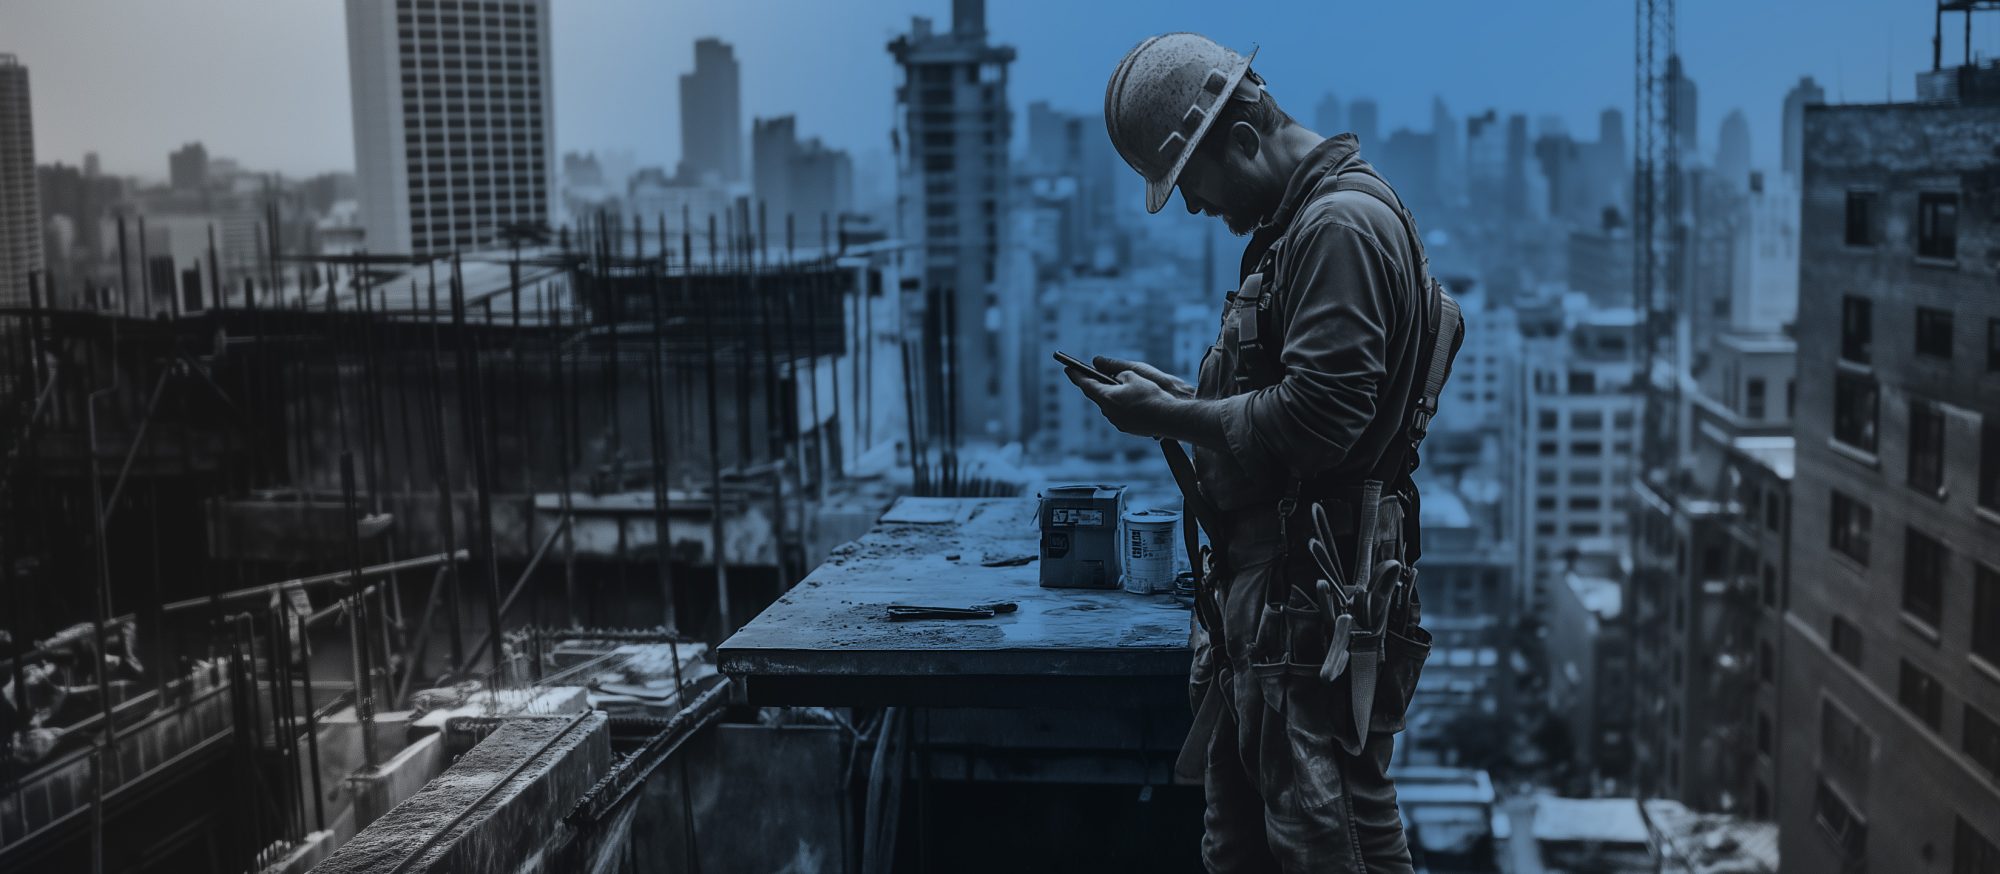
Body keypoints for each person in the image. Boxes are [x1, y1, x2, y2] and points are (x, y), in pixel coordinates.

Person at [1073, 32, 1462, 872]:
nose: (1192, 207)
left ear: (1244, 136)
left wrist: (1170, 418)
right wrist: (1183, 402)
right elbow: (1296, 400)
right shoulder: (1307, 229)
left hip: (1310, 612)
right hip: (1274, 613)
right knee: (1246, 846)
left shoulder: (1339, 227)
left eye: (1191, 181)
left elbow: (1321, 418)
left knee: (1335, 839)